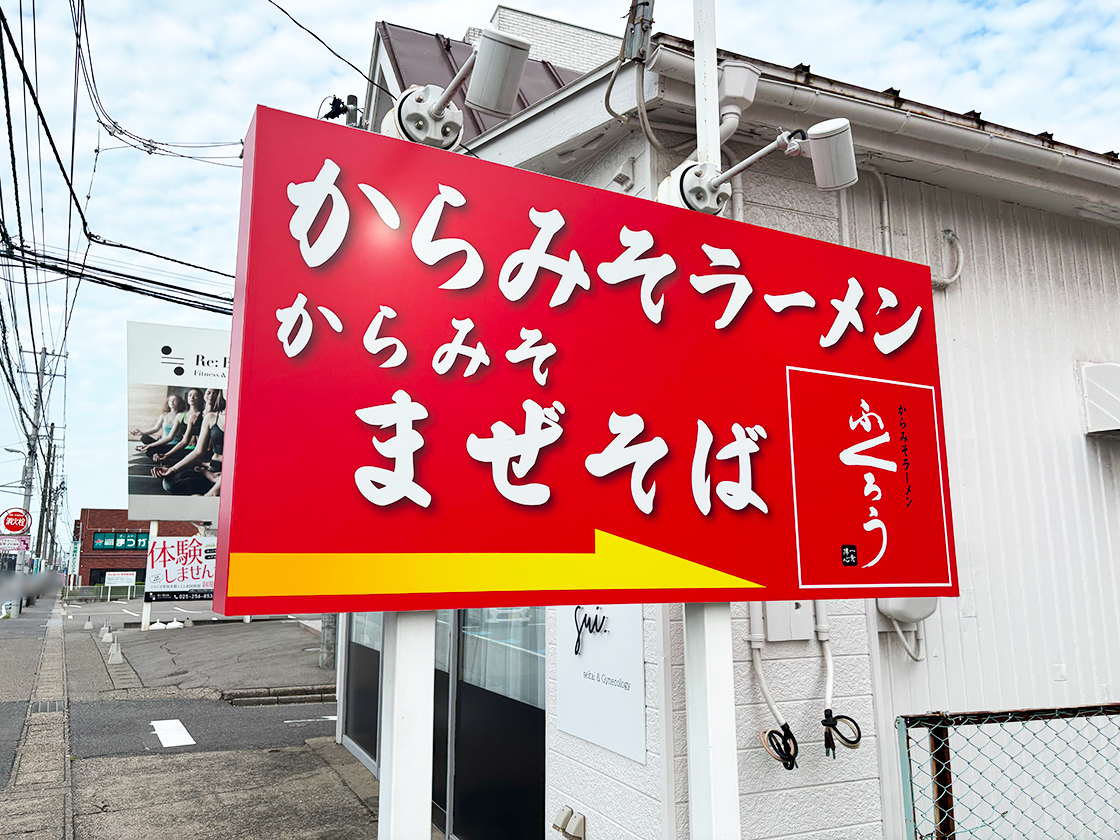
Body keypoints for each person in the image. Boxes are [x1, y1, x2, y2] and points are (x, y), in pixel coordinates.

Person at [152, 389, 225, 496]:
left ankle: (218, 480)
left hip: (228, 470)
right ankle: (213, 477)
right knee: (169, 482)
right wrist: (172, 469)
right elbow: (197, 450)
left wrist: (209, 495)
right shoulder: (211, 417)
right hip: (213, 466)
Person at [151, 388, 206, 466]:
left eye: (196, 396)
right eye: (190, 395)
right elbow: (174, 438)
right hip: (183, 447)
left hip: (195, 449)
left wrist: (167, 455)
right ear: (187, 398)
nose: (192, 397)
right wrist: (149, 446)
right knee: (155, 452)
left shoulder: (203, 416)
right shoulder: (181, 415)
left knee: (166, 461)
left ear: (200, 399)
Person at [132, 393, 186, 458]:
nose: (171, 402)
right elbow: (156, 428)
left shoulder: (181, 416)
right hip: (162, 442)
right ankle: (158, 453)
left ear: (179, 403)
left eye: (174, 400)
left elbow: (170, 438)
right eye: (170, 400)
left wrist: (150, 445)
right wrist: (142, 432)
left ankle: (160, 454)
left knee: (150, 451)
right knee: (144, 437)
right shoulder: (164, 415)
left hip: (173, 445)